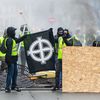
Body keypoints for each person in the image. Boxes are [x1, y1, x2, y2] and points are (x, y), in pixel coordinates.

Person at [5, 27, 27, 93]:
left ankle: (13, 86)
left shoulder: (13, 39)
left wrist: (24, 36)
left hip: (14, 60)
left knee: (15, 73)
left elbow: (18, 40)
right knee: (10, 74)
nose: (15, 32)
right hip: (11, 60)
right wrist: (8, 61)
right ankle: (7, 87)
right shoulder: (9, 40)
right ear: (11, 32)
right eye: (14, 31)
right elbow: (9, 52)